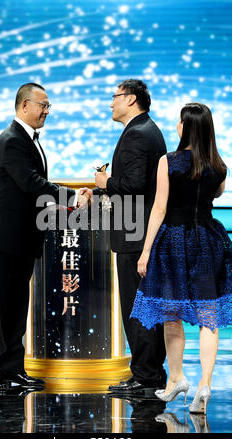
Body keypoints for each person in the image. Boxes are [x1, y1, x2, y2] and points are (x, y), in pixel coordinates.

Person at [0, 82, 90, 391]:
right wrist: (73, 197)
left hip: (22, 240)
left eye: (49, 106)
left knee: (15, 308)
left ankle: (11, 371)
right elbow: (31, 182)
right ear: (25, 105)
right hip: (0, 238)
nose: (47, 111)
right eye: (43, 105)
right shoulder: (11, 140)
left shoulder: (29, 140)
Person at [130, 102, 232, 413]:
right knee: (210, 317)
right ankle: (204, 384)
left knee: (170, 313)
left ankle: (177, 377)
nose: (176, 126)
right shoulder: (219, 167)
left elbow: (160, 209)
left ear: (186, 127)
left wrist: (146, 250)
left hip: (174, 243)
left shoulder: (169, 162)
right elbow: (215, 195)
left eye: (180, 122)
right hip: (208, 241)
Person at [86, 79, 168, 396]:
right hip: (139, 233)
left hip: (136, 236)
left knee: (138, 307)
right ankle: (150, 371)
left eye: (115, 97)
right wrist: (98, 191)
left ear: (130, 99)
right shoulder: (146, 129)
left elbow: (132, 184)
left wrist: (105, 182)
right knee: (145, 306)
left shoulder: (137, 133)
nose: (111, 103)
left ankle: (146, 374)